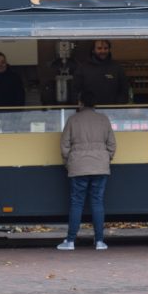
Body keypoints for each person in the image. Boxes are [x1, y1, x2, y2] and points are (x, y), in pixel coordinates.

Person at [57, 90, 116, 251]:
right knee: (97, 202)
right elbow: (112, 145)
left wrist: (69, 162)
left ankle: (70, 241)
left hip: (78, 167)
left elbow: (64, 146)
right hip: (100, 167)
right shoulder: (103, 120)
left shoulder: (72, 120)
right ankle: (99, 241)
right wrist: (105, 159)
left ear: (80, 103)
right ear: (94, 104)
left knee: (77, 203)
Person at [73, 39, 129, 105]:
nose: (103, 51)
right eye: (99, 48)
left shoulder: (117, 68)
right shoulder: (83, 68)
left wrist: (116, 107)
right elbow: (75, 90)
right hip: (90, 111)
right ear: (93, 50)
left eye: (106, 48)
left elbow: (124, 91)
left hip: (112, 111)